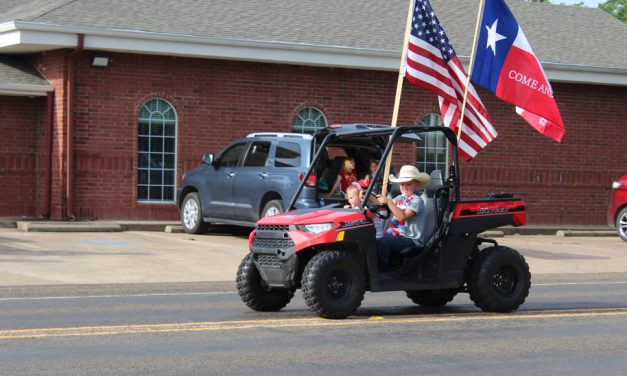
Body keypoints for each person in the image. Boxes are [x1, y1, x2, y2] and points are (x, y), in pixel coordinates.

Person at [375, 165, 431, 272]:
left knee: (383, 242)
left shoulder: (417, 201)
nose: (404, 187)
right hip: (396, 234)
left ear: (417, 186)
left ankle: (381, 273)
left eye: (408, 184)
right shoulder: (399, 199)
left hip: (411, 239)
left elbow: (402, 216)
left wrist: (389, 201)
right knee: (373, 239)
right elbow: (381, 206)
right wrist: (367, 197)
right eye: (402, 184)